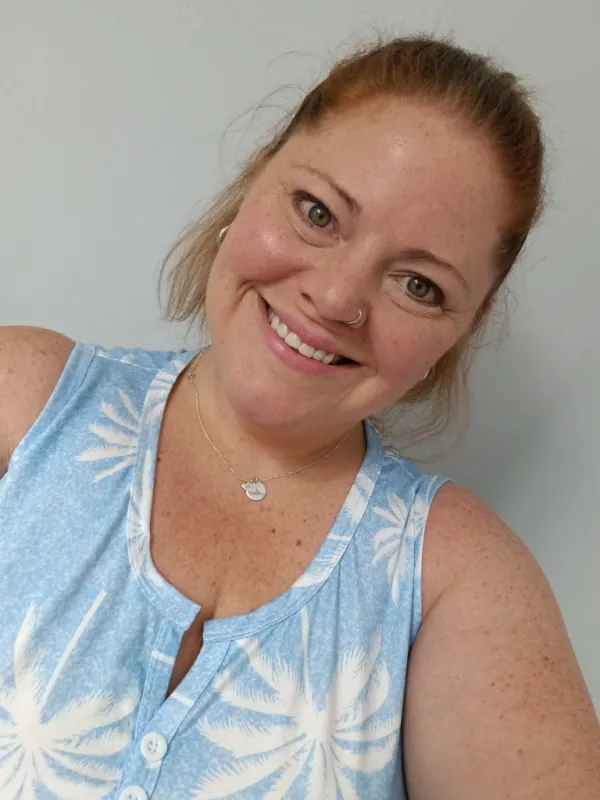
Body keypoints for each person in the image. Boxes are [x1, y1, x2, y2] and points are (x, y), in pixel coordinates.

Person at [0, 33, 598, 800]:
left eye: (419, 285)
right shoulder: (25, 403)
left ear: (458, 334)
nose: (338, 297)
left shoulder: (455, 575)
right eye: (318, 212)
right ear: (255, 180)